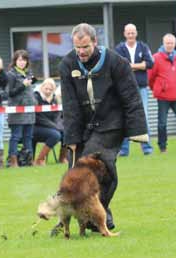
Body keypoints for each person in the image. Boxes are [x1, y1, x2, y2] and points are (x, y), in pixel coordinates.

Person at [59, 23, 148, 230]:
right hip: (83, 125)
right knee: (75, 172)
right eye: (77, 47)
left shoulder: (116, 62)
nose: (80, 52)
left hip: (111, 124)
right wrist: (71, 140)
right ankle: (97, 217)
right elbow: (70, 105)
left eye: (85, 47)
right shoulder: (67, 64)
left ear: (95, 42)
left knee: (95, 165)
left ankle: (92, 216)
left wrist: (138, 131)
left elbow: (131, 97)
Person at [148, 33, 176, 152]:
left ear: (175, 44)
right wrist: (157, 88)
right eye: (167, 43)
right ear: (163, 43)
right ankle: (163, 147)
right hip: (163, 96)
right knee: (162, 123)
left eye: (172, 43)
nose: (170, 45)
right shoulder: (156, 57)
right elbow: (151, 77)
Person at [115, 23, 154, 156]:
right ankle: (124, 150)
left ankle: (147, 149)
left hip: (141, 88)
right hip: (125, 89)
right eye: (128, 33)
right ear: (125, 34)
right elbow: (119, 66)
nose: (131, 35)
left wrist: (131, 65)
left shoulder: (143, 47)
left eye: (133, 32)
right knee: (125, 117)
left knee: (143, 118)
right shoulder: (119, 48)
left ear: (136, 33)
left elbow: (150, 63)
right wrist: (140, 65)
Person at [7, 49, 36, 168]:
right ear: (15, 61)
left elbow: (31, 89)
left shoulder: (29, 73)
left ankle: (28, 160)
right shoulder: (11, 74)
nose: (22, 62)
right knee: (16, 136)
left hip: (29, 109)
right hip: (17, 110)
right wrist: (22, 85)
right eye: (19, 60)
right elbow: (10, 93)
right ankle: (12, 161)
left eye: (24, 60)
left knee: (28, 136)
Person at [33, 78, 67, 166]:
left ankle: (62, 158)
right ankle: (39, 160)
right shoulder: (36, 97)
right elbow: (38, 117)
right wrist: (54, 126)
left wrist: (57, 126)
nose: (48, 91)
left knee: (66, 133)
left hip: (51, 127)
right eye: (46, 89)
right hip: (36, 126)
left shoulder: (55, 99)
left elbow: (57, 116)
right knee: (55, 135)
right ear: (42, 87)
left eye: (50, 89)